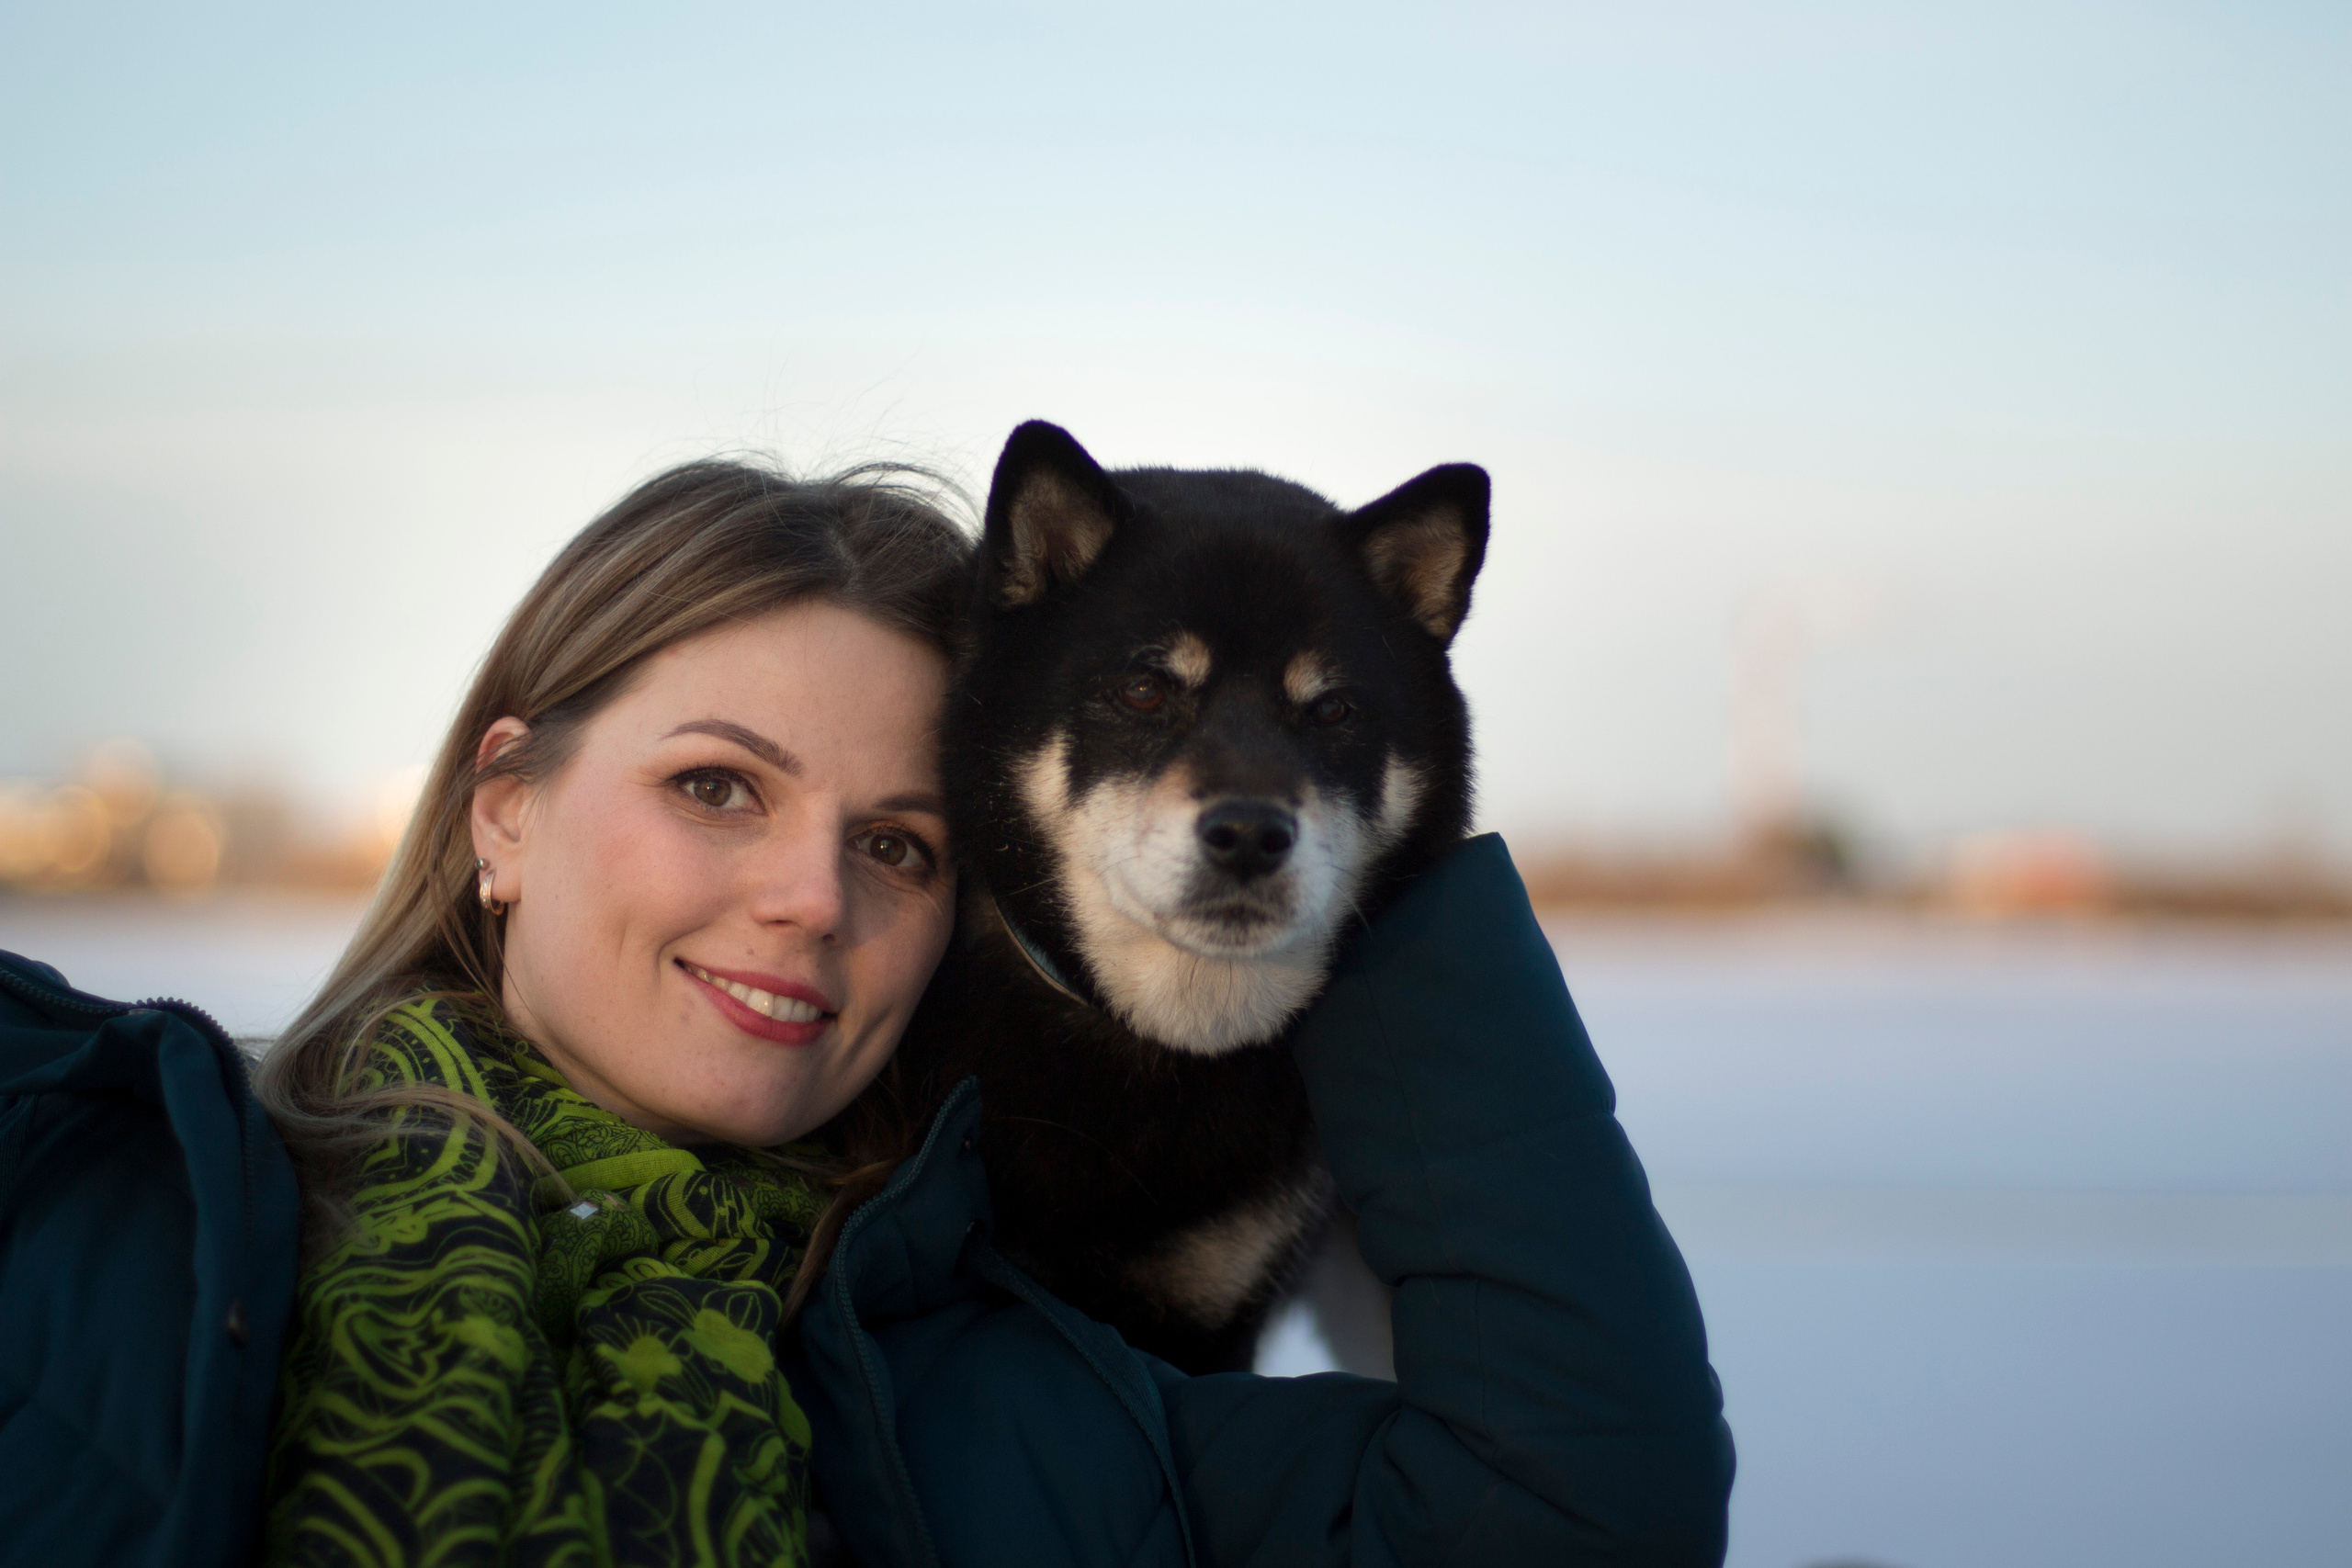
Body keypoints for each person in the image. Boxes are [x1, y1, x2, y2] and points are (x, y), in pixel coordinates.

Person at [33, 457, 1735, 1567]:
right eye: (715, 786)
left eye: (900, 846)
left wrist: (1359, 861)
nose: (808, 898)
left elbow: (1582, 1516)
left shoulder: (1024, 1389)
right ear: (508, 808)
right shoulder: (115, 1190)